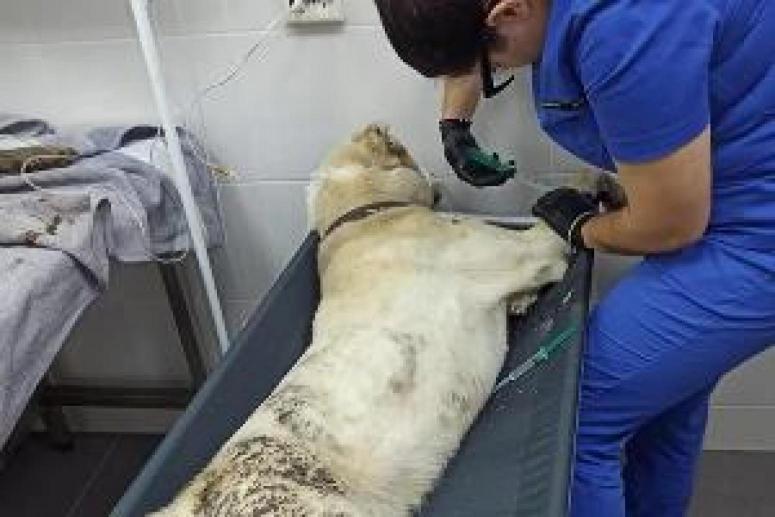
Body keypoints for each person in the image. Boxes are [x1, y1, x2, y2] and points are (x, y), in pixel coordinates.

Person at [373, 1, 775, 516]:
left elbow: (672, 224)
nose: (494, 73)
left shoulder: (626, 27)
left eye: (492, 65)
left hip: (754, 235)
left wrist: (582, 227)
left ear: (508, 13)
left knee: (568, 417)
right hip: (729, 198)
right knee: (667, 403)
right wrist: (456, 122)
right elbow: (470, 30)